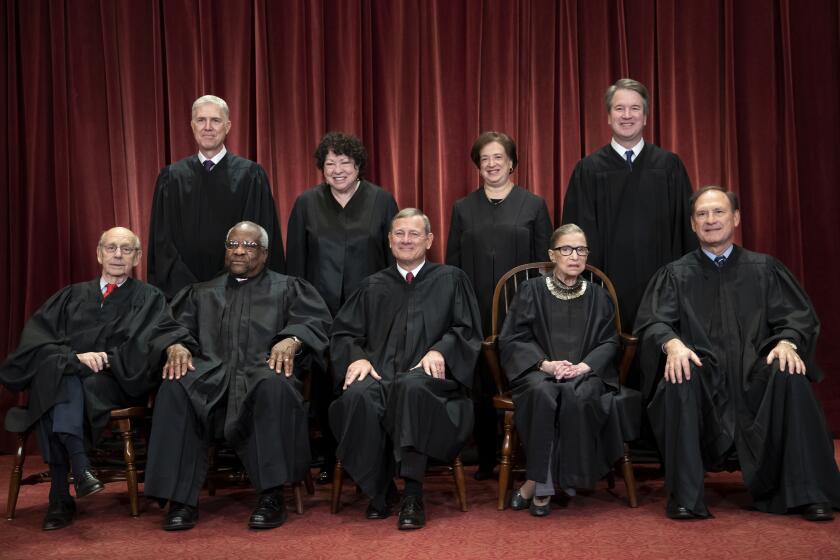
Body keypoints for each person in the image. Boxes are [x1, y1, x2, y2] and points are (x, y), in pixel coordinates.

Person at [634, 186, 840, 521]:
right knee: (679, 374)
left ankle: (809, 493)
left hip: (756, 374)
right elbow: (655, 321)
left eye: (718, 212)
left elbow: (796, 317)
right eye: (702, 214)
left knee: (789, 372)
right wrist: (672, 344)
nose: (710, 220)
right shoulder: (675, 275)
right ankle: (686, 497)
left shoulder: (764, 269)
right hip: (703, 374)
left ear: (736, 218)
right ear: (692, 223)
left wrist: (787, 341)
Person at [143, 221, 331, 531]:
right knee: (176, 386)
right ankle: (181, 500)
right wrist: (174, 345)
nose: (239, 251)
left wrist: (293, 339)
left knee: (274, 385)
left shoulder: (289, 288)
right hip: (210, 376)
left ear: (265, 253)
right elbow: (169, 328)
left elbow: (315, 322)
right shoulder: (201, 293)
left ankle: (272, 496)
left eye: (249, 245)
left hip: (261, 372)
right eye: (233, 245)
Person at [0, 227, 187, 531]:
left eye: (126, 249)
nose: (117, 255)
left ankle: (60, 494)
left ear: (137, 257)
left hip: (115, 382)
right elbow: (35, 342)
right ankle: (80, 470)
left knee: (57, 383)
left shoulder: (149, 298)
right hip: (70, 379)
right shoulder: (70, 295)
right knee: (62, 376)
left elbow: (146, 348)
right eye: (111, 248)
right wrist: (74, 358)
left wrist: (102, 359)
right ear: (99, 253)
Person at [329, 209, 482, 530]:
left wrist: (440, 350)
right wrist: (357, 356)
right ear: (389, 240)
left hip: (431, 384)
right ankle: (379, 490)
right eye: (399, 234)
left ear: (429, 240)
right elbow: (344, 333)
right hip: (380, 375)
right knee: (358, 395)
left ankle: (412, 493)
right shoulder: (372, 286)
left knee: (412, 388)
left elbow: (467, 330)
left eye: (414, 234)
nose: (406, 240)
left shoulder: (451, 279)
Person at [286, 131, 398, 483]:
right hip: (320, 311)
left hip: (371, 311)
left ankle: (373, 453)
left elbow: (393, 256)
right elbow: (297, 264)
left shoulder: (381, 201)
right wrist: (301, 309)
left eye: (344, 163)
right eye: (330, 163)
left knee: (368, 378)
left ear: (358, 166)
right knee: (324, 384)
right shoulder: (306, 203)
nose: (337, 170)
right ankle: (330, 455)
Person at [498, 224, 632, 516]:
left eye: (581, 249)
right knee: (544, 393)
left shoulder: (598, 296)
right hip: (539, 371)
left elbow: (610, 341)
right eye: (567, 249)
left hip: (585, 373)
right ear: (552, 254)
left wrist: (584, 366)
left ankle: (534, 484)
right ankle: (544, 486)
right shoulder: (530, 290)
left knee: (576, 395)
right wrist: (546, 364)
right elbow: (512, 338)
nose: (575, 256)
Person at [446, 131, 553, 479]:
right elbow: (453, 264)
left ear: (512, 163)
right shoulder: (463, 208)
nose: (492, 165)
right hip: (475, 308)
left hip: (522, 311)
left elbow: (543, 265)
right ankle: (488, 457)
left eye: (499, 158)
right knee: (479, 382)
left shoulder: (533, 205)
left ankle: (526, 453)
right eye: (485, 159)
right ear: (478, 166)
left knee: (522, 377)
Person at [562, 79, 696, 334]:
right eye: (619, 108)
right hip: (605, 288)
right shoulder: (588, 170)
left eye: (635, 109)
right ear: (609, 117)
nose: (627, 115)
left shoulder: (669, 166)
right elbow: (575, 235)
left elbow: (687, 230)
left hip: (663, 287)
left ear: (645, 117)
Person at [147, 94, 285, 300]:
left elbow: (260, 239)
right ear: (192, 126)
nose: (208, 127)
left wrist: (224, 283)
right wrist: (189, 288)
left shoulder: (250, 175)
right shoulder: (171, 177)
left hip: (239, 292)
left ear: (227, 126)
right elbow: (162, 242)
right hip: (182, 294)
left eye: (215, 120)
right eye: (201, 120)